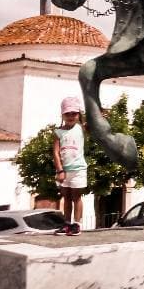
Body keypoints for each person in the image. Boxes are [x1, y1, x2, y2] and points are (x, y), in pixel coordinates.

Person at [53, 96, 87, 235]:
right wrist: (60, 170)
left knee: (76, 197)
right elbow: (55, 152)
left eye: (74, 113)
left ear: (79, 114)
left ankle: (77, 224)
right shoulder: (58, 132)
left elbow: (95, 124)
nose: (71, 116)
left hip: (78, 169)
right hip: (64, 170)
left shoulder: (81, 129)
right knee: (66, 197)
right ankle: (67, 223)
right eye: (68, 113)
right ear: (62, 115)